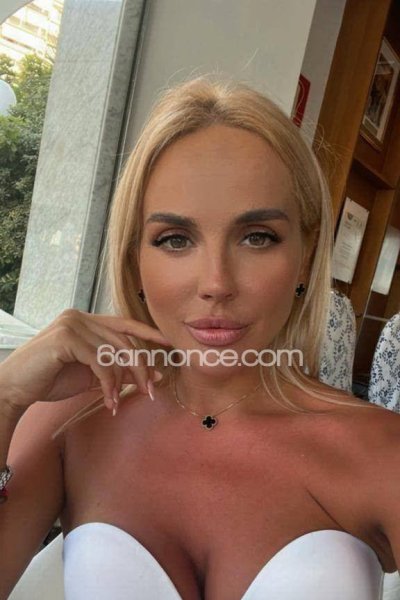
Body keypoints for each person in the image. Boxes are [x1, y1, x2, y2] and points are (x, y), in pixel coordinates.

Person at [0, 75, 399, 600]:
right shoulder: (70, 422)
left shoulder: (379, 449)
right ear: (134, 259)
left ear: (305, 255)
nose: (216, 283)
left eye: (257, 237)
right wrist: (5, 396)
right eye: (175, 240)